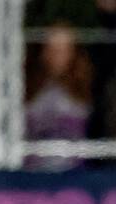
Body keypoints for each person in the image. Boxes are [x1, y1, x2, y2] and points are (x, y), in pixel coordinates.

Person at [25, 25, 93, 170]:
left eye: (62, 50)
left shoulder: (84, 88)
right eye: (50, 49)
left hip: (75, 175)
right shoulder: (28, 87)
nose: (56, 55)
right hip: (32, 174)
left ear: (73, 53)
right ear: (42, 52)